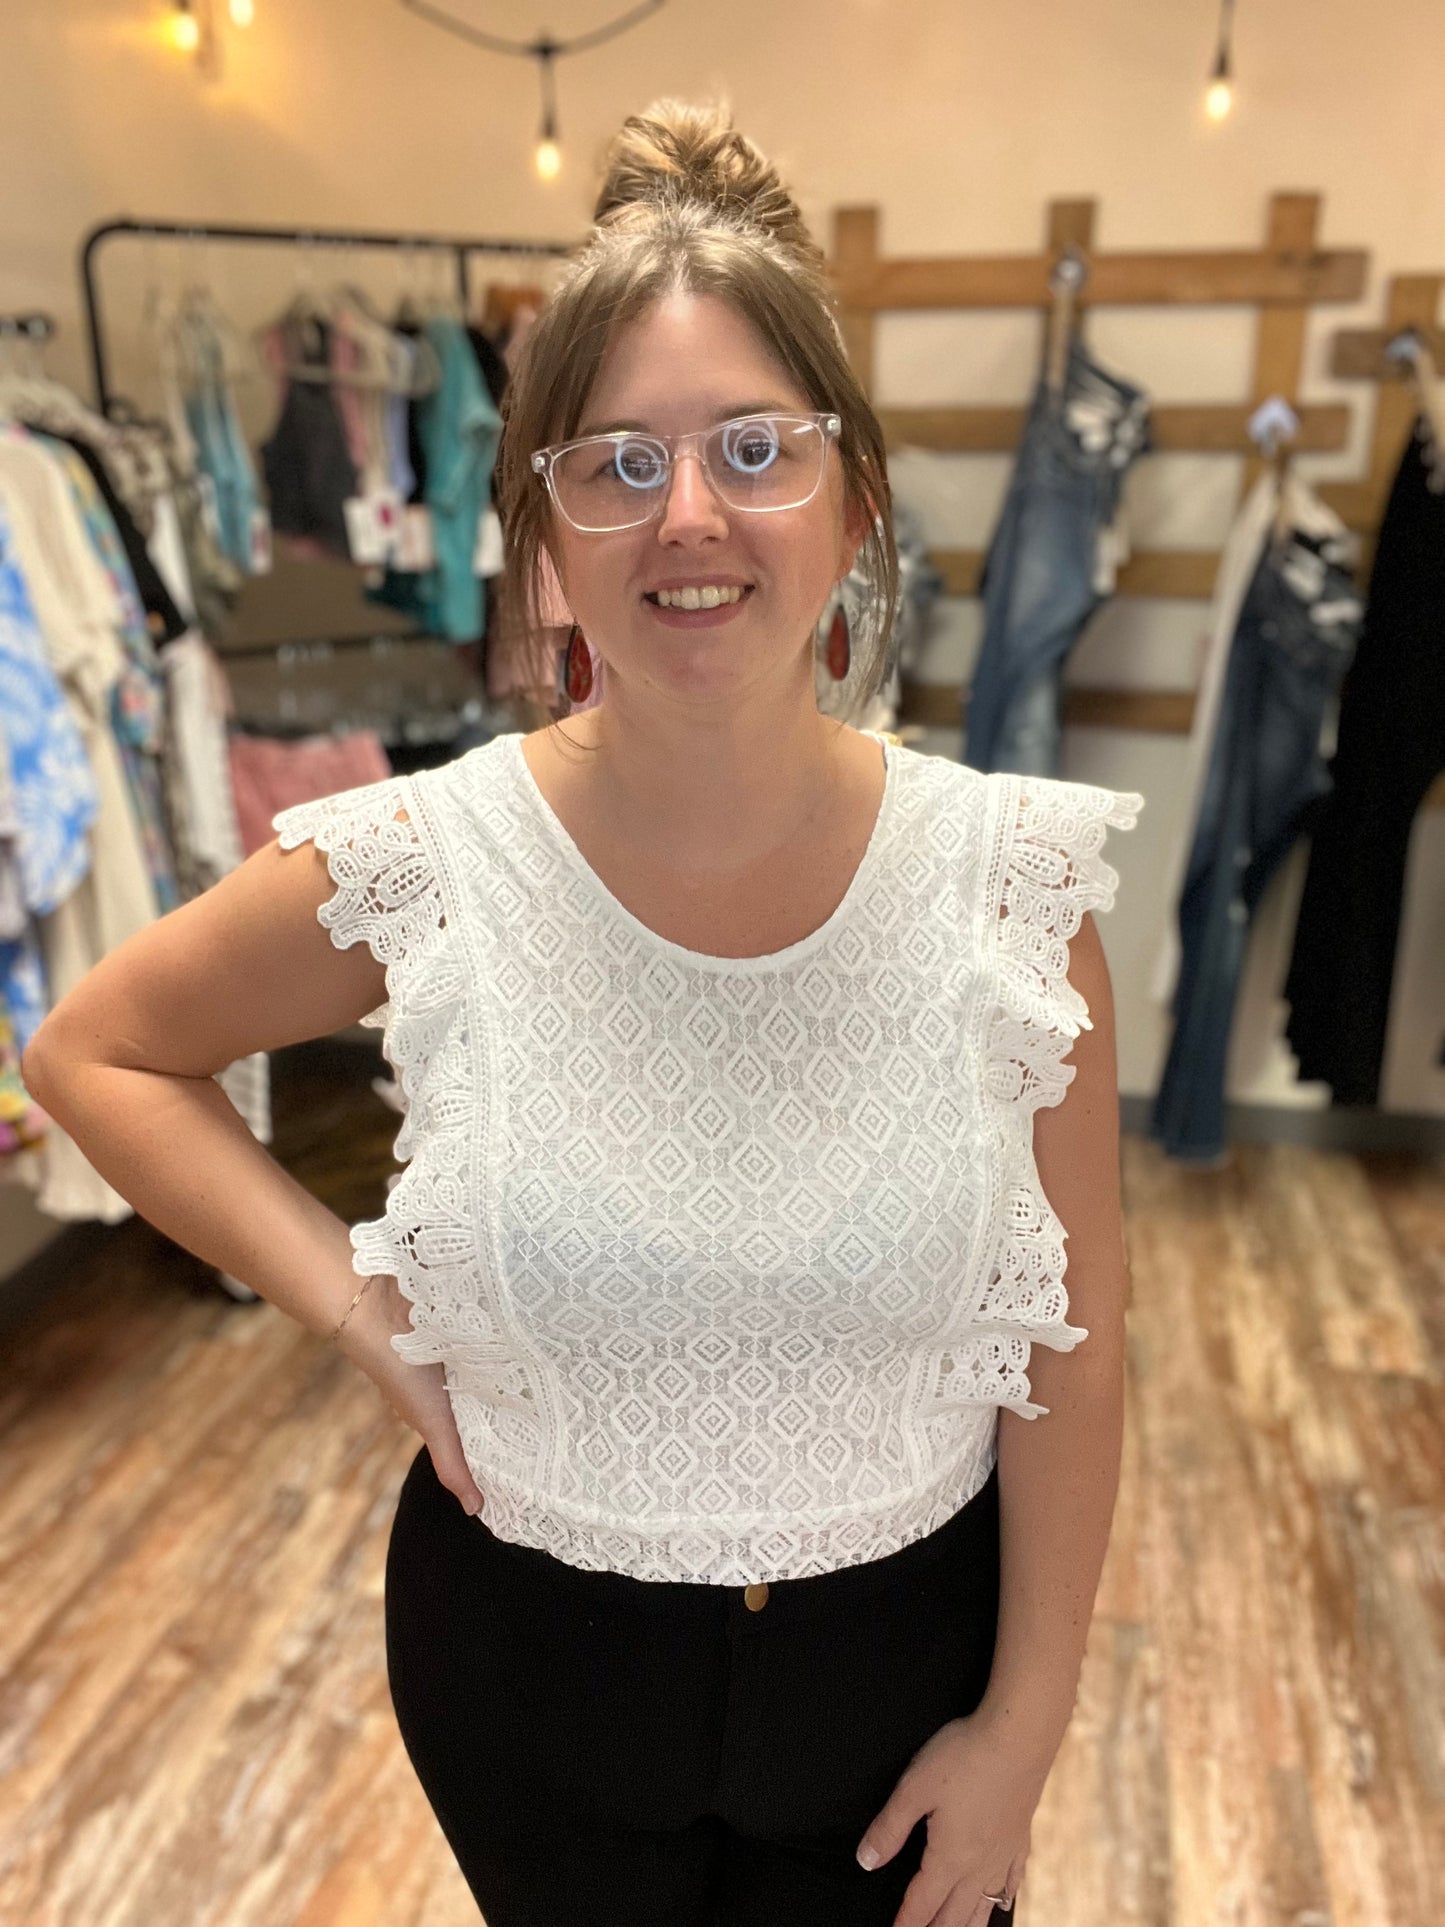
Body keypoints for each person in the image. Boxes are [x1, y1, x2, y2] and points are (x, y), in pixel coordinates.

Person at [23, 100, 1144, 1927]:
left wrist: (1025, 1731)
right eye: (612, 462)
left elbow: (1076, 1351)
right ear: (540, 532)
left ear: (851, 496)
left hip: (904, 1683)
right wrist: (358, 1310)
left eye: (752, 450)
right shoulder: (427, 864)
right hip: (527, 1675)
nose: (684, 515)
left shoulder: (1010, 894)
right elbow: (95, 1049)